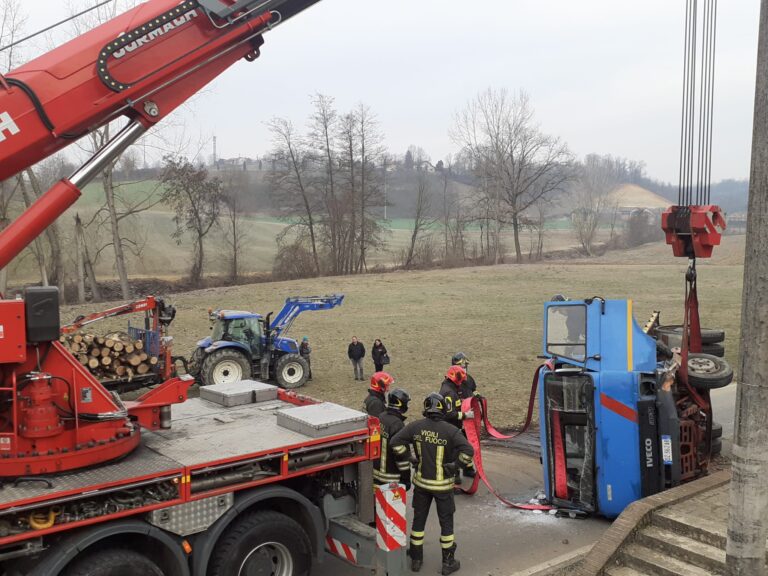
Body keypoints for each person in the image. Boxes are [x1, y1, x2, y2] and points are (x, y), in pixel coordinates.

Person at [391, 393, 475, 575]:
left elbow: (395, 442)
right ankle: (448, 562)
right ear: (443, 409)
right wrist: (456, 466)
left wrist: (410, 458)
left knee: (418, 521)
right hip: (443, 487)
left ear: (426, 408)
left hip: (421, 485)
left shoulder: (415, 427)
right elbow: (468, 450)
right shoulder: (451, 430)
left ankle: (416, 558)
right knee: (446, 524)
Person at [439, 364, 477, 482]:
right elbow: (449, 414)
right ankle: (453, 475)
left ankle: (462, 470)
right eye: (460, 380)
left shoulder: (450, 388)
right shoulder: (449, 393)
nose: (461, 383)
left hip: (453, 427)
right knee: (453, 451)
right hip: (450, 427)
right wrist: (465, 415)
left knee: (459, 447)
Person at [373, 388, 411, 488]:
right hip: (391, 478)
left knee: (376, 502)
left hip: (375, 474)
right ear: (400, 404)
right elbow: (401, 454)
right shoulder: (397, 424)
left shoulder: (380, 417)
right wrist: (406, 477)